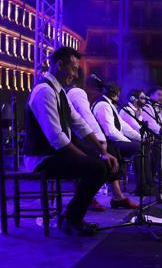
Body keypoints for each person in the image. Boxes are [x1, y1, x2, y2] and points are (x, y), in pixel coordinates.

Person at [23, 46, 119, 236]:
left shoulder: (59, 92)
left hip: (53, 154)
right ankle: (72, 220)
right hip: (42, 159)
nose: (76, 75)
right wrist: (88, 158)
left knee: (101, 162)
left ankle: (72, 218)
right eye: (74, 69)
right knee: (97, 167)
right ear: (59, 65)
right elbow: (57, 138)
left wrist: (102, 151)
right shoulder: (44, 91)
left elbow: (79, 124)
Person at [66, 69, 137, 211]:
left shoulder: (71, 93)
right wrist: (101, 142)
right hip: (73, 140)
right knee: (106, 156)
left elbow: (80, 121)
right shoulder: (77, 93)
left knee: (111, 150)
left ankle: (116, 196)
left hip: (76, 138)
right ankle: (89, 197)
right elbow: (86, 119)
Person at [92, 82, 152, 201]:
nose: (118, 98)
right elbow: (110, 131)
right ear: (116, 94)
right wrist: (129, 142)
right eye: (118, 95)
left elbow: (124, 127)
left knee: (142, 145)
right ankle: (142, 186)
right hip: (106, 143)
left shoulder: (109, 106)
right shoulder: (103, 105)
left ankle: (146, 183)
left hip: (112, 141)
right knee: (139, 148)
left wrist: (141, 138)